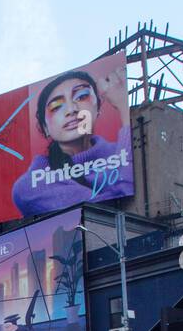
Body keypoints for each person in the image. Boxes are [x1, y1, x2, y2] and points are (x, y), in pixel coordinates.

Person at [12, 63, 132, 219]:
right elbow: (103, 212)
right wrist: (125, 110)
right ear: (45, 127)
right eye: (56, 106)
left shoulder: (122, 151)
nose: (71, 109)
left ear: (98, 109)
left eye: (81, 96)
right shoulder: (31, 185)